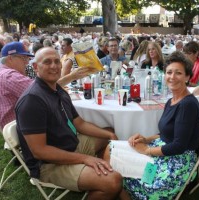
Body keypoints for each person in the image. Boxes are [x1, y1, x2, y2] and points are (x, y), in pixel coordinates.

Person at [15, 47, 122, 199]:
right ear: (35, 67)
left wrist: (110, 134)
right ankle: (102, 176)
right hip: (49, 164)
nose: (54, 66)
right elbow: (40, 151)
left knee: (108, 133)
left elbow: (79, 124)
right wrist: (86, 159)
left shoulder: (57, 90)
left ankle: (99, 170)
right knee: (113, 181)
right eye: (47, 62)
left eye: (57, 61)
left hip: (71, 145)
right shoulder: (32, 100)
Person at [106, 51, 199, 200]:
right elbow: (165, 133)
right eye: (169, 72)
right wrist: (146, 139)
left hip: (174, 162)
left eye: (178, 73)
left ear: (188, 77)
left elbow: (179, 145)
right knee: (111, 149)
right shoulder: (172, 100)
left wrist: (147, 150)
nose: (172, 77)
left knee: (117, 168)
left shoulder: (187, 105)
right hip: (162, 150)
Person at [0, 42, 95, 129]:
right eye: (24, 58)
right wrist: (71, 76)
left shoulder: (1, 73)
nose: (27, 63)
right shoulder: (9, 76)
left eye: (27, 59)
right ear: (10, 58)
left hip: (22, 124)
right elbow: (42, 89)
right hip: (25, 129)